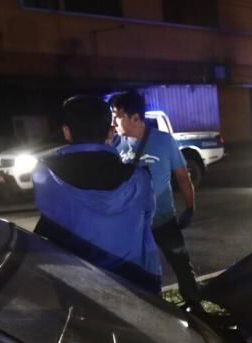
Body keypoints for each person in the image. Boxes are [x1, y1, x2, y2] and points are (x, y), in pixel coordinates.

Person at [32, 95, 162, 293]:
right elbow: (147, 217)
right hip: (138, 280)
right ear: (110, 133)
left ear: (67, 132)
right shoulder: (138, 177)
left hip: (81, 286)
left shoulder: (45, 172)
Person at [109, 90, 201, 303]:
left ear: (135, 117)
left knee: (181, 263)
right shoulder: (115, 145)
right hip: (132, 225)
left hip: (163, 220)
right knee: (138, 272)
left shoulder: (164, 141)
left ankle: (195, 305)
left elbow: (183, 178)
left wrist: (190, 208)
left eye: (117, 115)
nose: (114, 121)